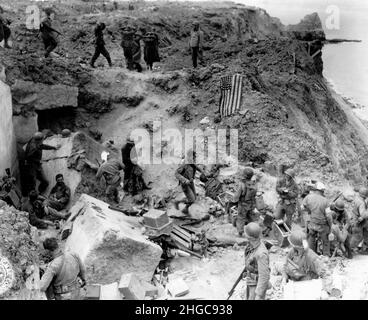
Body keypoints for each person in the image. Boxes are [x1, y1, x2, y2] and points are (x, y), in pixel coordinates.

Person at [282, 230, 333, 296]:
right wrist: (284, 277)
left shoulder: (311, 257)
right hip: (293, 280)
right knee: (277, 265)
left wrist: (327, 290)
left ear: (295, 246)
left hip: (305, 286)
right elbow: (285, 266)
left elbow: (326, 274)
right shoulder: (292, 251)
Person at [301, 182, 332, 256]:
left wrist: (309, 210)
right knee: (326, 241)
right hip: (322, 225)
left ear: (315, 189)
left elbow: (302, 208)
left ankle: (311, 255)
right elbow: (328, 216)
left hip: (312, 223)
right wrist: (330, 226)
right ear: (322, 191)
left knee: (311, 238)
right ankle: (326, 257)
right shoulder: (325, 201)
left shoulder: (308, 197)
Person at [243, 222, 270, 300]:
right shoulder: (252, 244)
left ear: (249, 237)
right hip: (251, 280)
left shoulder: (261, 254)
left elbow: (264, 276)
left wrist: (258, 295)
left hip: (257, 285)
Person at [174, 149, 204, 214]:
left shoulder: (191, 162)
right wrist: (185, 180)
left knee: (194, 198)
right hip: (185, 184)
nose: (195, 158)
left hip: (191, 182)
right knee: (192, 199)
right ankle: (180, 203)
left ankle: (185, 207)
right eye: (194, 157)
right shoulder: (184, 164)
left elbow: (196, 167)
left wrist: (202, 172)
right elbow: (176, 174)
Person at [232, 167, 258, 237]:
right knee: (250, 217)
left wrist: (233, 200)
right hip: (252, 203)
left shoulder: (242, 184)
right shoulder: (254, 183)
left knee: (241, 218)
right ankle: (253, 231)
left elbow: (237, 195)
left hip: (243, 204)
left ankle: (240, 233)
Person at [350, 187, 368, 253]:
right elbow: (363, 214)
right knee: (357, 236)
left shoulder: (356, 199)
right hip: (357, 222)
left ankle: (363, 248)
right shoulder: (362, 203)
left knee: (357, 235)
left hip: (353, 219)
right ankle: (350, 249)